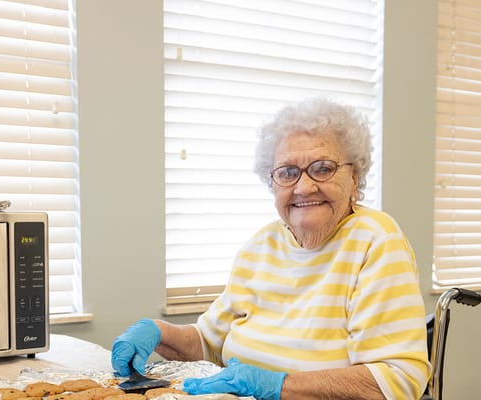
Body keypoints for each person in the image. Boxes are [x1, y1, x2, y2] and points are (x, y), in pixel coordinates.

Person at [111, 97, 430, 400]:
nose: (305, 187)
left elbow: (397, 380)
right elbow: (209, 343)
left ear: (355, 179)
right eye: (288, 173)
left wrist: (276, 386)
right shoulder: (260, 247)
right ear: (272, 183)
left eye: (323, 168)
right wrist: (157, 331)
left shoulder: (376, 241)